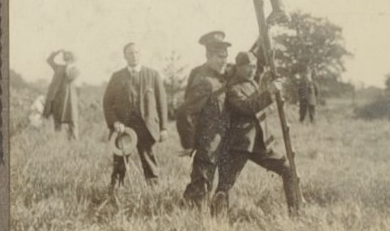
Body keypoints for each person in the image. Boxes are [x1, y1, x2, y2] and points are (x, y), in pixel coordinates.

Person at [212, 51, 300, 216]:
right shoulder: (231, 87)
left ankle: (295, 213)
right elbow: (248, 107)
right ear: (238, 67)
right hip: (239, 145)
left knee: (287, 170)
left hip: (260, 143)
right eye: (247, 67)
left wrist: (275, 100)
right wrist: (269, 92)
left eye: (253, 66)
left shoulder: (252, 84)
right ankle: (215, 221)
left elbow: (260, 108)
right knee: (226, 185)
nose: (251, 70)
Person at [102, 42, 168, 187]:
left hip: (146, 126)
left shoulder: (153, 75)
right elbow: (107, 103)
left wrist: (163, 128)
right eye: (130, 53)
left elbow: (162, 103)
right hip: (123, 128)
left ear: (141, 54)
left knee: (149, 160)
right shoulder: (117, 77)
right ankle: (116, 191)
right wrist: (115, 122)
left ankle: (154, 192)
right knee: (120, 160)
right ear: (124, 56)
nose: (134, 56)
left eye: (137, 52)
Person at [180, 31, 232, 206]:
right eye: (219, 57)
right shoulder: (203, 79)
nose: (223, 60)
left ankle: (214, 213)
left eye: (225, 56)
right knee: (202, 181)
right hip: (207, 139)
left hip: (223, 137)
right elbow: (187, 112)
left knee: (220, 181)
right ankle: (190, 216)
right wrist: (189, 143)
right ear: (208, 56)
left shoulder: (223, 74)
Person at [44, 49, 80, 140]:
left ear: (72, 59)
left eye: (68, 57)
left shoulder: (76, 70)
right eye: (65, 56)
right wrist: (56, 52)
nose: (66, 58)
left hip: (68, 101)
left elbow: (69, 76)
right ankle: (58, 141)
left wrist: (68, 66)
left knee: (72, 121)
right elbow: (49, 60)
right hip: (57, 99)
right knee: (57, 122)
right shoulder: (59, 68)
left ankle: (74, 142)